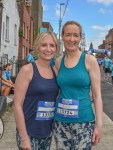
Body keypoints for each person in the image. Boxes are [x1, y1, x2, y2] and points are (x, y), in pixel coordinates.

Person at [54, 21, 103, 150]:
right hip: (60, 122)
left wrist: (99, 125)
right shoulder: (58, 62)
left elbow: (97, 96)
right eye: (68, 35)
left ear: (80, 37)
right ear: (62, 36)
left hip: (84, 122)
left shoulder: (89, 60)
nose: (71, 39)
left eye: (75, 35)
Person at [14, 31, 59, 150]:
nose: (48, 49)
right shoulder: (27, 70)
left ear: (56, 48)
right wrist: (24, 137)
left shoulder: (55, 71)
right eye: (44, 45)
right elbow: (17, 105)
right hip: (29, 133)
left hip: (46, 133)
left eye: (52, 45)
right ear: (37, 47)